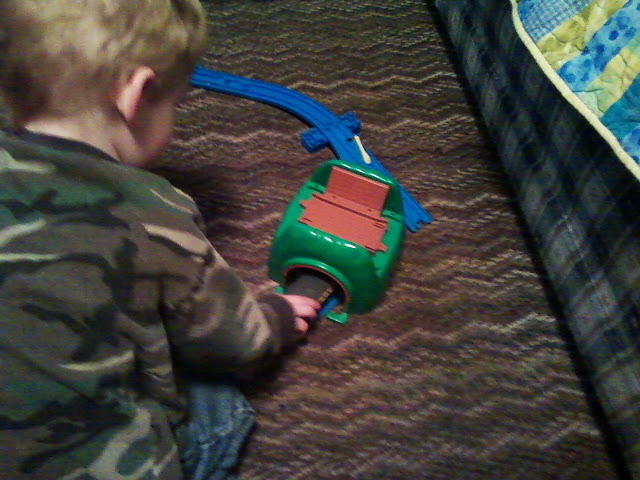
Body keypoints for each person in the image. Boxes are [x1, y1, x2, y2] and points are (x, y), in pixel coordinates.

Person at [0, 1, 321, 479]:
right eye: (177, 102)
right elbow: (236, 344)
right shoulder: (152, 212)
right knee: (216, 400)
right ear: (136, 94)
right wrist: (274, 318)